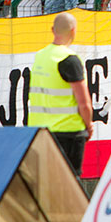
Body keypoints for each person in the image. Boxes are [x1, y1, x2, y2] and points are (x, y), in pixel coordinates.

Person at [28, 12, 93, 173]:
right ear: (73, 30)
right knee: (69, 182)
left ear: (53, 30)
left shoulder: (40, 56)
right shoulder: (69, 59)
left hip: (40, 132)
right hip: (68, 133)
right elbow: (84, 103)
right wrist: (89, 125)